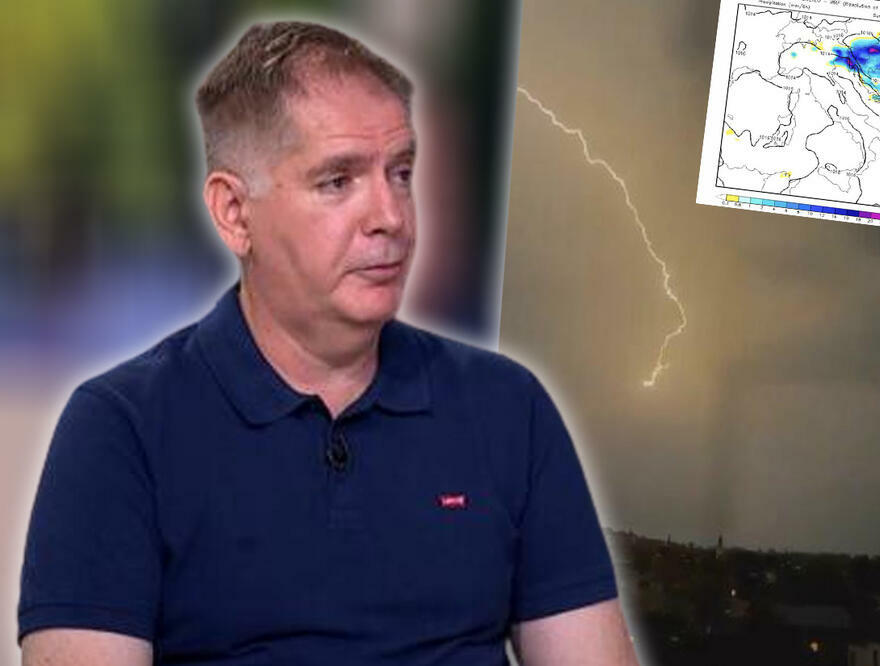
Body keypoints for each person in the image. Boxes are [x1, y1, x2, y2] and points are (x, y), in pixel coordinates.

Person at [17, 21, 639, 666]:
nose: (391, 217)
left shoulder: (508, 407)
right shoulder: (122, 428)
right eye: (338, 181)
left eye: (401, 173)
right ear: (234, 212)